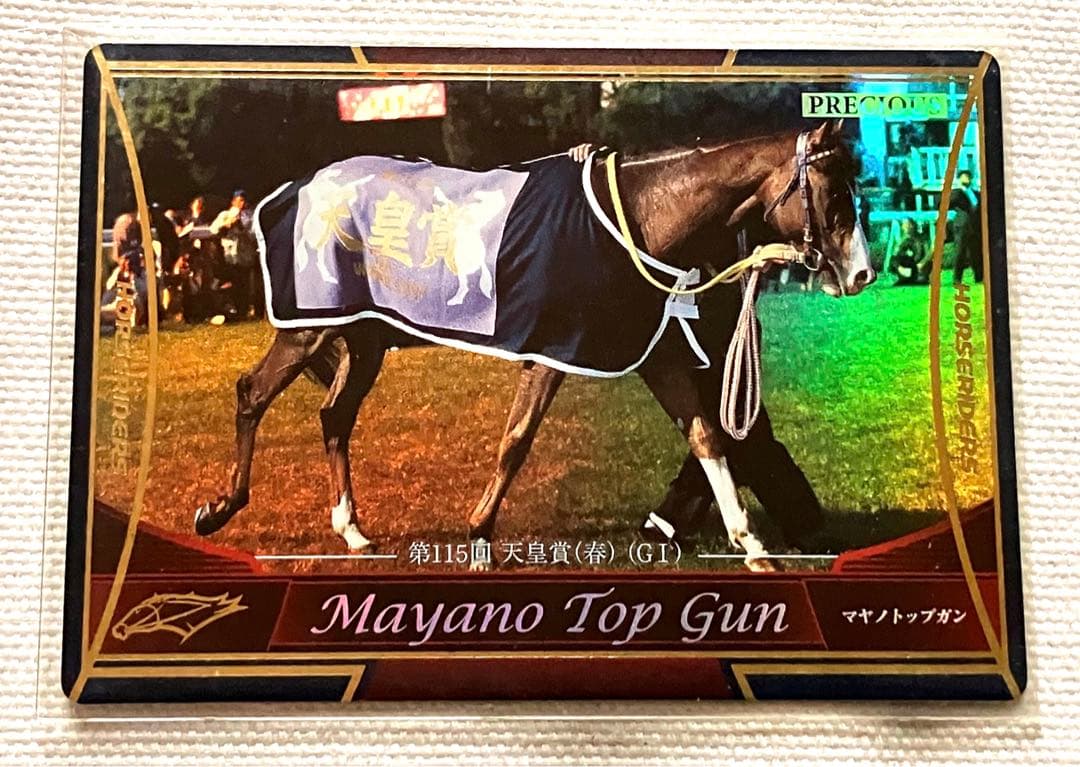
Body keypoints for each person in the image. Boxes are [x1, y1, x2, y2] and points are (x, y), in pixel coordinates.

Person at [566, 143, 824, 551]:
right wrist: (588, 154)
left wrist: (779, 252)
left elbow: (794, 231)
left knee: (734, 428)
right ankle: (804, 526)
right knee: (742, 431)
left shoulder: (753, 197)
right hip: (692, 332)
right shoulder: (684, 204)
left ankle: (669, 522)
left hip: (731, 329)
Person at [210, 189, 262, 320]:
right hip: (229, 256)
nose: (242, 203)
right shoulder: (224, 215)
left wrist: (242, 227)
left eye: (244, 200)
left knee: (244, 284)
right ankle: (231, 310)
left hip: (244, 257)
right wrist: (227, 225)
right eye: (239, 200)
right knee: (231, 284)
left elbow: (254, 235)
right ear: (233, 201)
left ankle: (243, 310)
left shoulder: (250, 216)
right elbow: (213, 230)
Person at [949, 170, 983, 285]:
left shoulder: (976, 193)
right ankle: (957, 278)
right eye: (963, 177)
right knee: (960, 252)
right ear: (959, 179)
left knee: (976, 252)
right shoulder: (956, 193)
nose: (966, 179)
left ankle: (979, 277)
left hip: (975, 226)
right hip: (962, 226)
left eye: (968, 177)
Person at [890, 218, 930, 285]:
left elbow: (928, 254)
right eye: (904, 225)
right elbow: (895, 255)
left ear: (912, 225)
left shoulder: (922, 238)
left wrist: (921, 264)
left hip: (919, 268)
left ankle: (917, 278)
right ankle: (905, 278)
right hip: (909, 268)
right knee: (894, 259)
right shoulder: (904, 240)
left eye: (907, 225)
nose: (905, 227)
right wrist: (900, 268)